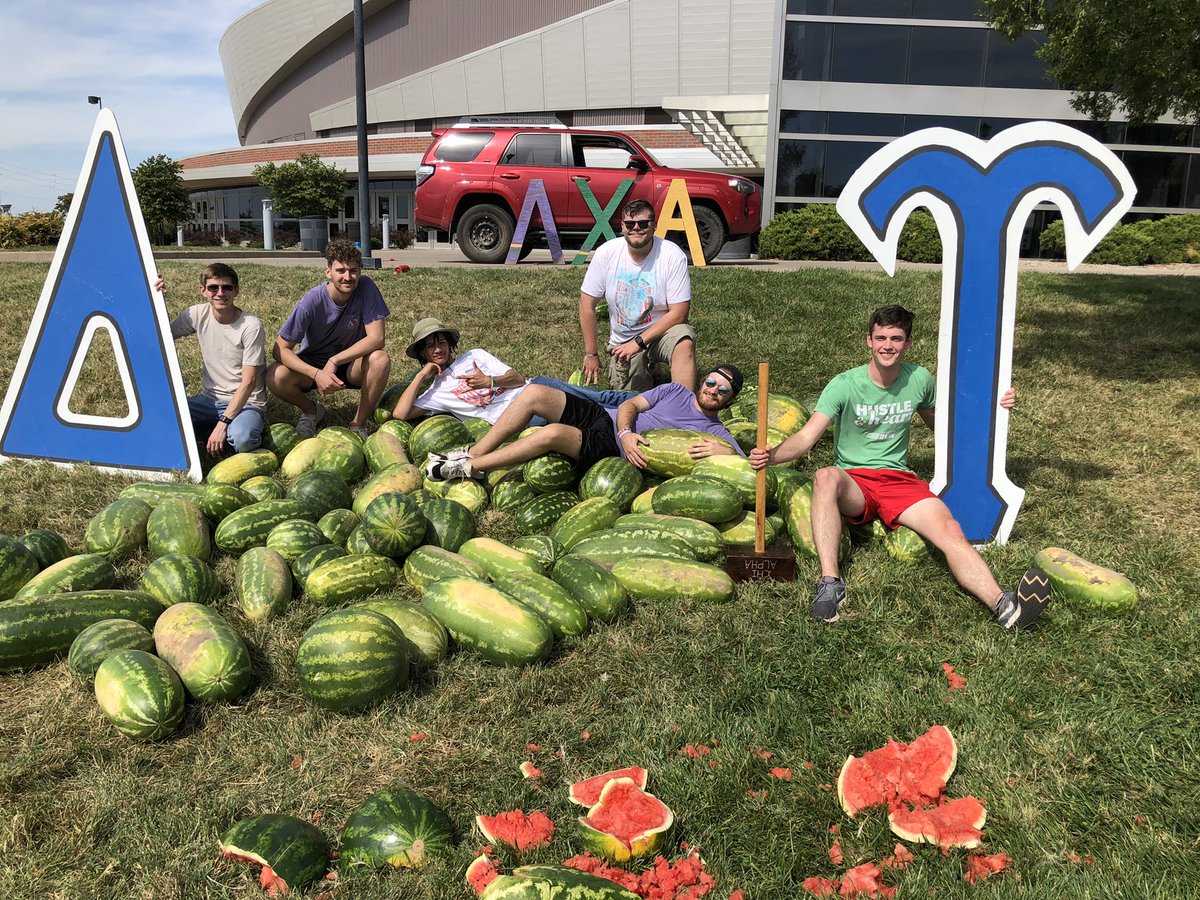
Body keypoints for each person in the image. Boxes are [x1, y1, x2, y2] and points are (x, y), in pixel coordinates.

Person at [749, 305, 1050, 630]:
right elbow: (807, 438)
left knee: (951, 532)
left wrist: (994, 406)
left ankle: (1004, 606)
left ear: (908, 343)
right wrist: (773, 455)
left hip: (899, 481)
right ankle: (830, 582)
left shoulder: (919, 380)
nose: (887, 345)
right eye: (881, 338)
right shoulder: (844, 384)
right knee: (824, 477)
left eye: (896, 338)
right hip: (855, 482)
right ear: (869, 340)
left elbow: (946, 431)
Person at [425, 364, 746, 482]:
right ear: (703, 380)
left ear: (729, 400)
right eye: (711, 382)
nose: (713, 390)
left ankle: (472, 467)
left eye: (723, 390)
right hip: (607, 422)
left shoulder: (716, 433)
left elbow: (747, 468)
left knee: (551, 433)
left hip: (611, 450)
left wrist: (727, 453)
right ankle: (472, 451)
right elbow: (631, 404)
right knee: (536, 392)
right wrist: (627, 431)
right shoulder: (675, 390)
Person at [267, 238, 391, 439]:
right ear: (328, 272)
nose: (348, 277)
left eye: (353, 270)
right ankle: (311, 411)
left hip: (352, 366)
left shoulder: (366, 287)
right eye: (340, 271)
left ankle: (358, 424)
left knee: (380, 359)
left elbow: (377, 338)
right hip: (314, 366)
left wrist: (335, 361)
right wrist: (317, 374)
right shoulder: (312, 300)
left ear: (360, 271)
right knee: (275, 375)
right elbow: (279, 348)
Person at [578, 198, 696, 393]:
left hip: (661, 332)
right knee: (628, 400)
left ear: (654, 225)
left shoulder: (672, 255)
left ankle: (684, 408)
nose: (637, 228)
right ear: (622, 226)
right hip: (623, 342)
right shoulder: (606, 253)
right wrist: (591, 353)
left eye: (643, 223)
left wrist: (639, 342)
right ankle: (649, 367)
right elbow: (586, 304)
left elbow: (679, 313)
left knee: (683, 340)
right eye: (630, 224)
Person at [168, 263, 267, 456]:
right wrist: (157, 298)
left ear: (236, 291)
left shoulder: (251, 326)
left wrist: (224, 423)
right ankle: (213, 432)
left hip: (247, 402)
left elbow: (249, 382)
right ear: (203, 291)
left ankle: (227, 431)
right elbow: (161, 334)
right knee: (166, 417)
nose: (220, 293)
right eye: (213, 287)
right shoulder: (196, 314)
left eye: (227, 287)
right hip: (209, 400)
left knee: (243, 439)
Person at [391, 317, 530, 424]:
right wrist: (420, 376)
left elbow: (519, 379)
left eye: (442, 343)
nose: (438, 349)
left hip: (531, 390)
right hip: (519, 418)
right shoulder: (436, 393)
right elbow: (400, 414)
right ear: (422, 353)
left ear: (449, 344)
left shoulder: (475, 355)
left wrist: (490, 381)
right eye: (430, 346)